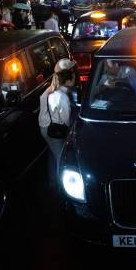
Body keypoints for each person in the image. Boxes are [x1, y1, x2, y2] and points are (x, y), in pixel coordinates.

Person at [38, 58, 77, 188]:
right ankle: (61, 186)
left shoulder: (51, 90)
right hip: (54, 131)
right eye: (72, 72)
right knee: (61, 157)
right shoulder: (62, 97)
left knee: (52, 153)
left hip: (45, 127)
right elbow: (66, 122)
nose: (75, 75)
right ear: (68, 78)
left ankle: (52, 180)